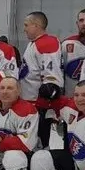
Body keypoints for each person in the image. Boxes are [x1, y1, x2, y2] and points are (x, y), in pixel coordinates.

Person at [20, 11, 63, 146]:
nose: (24, 29)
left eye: (26, 25)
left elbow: (51, 79)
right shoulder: (34, 43)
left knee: (41, 145)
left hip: (40, 105)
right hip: (31, 102)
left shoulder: (47, 43)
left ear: (36, 25)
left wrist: (46, 104)